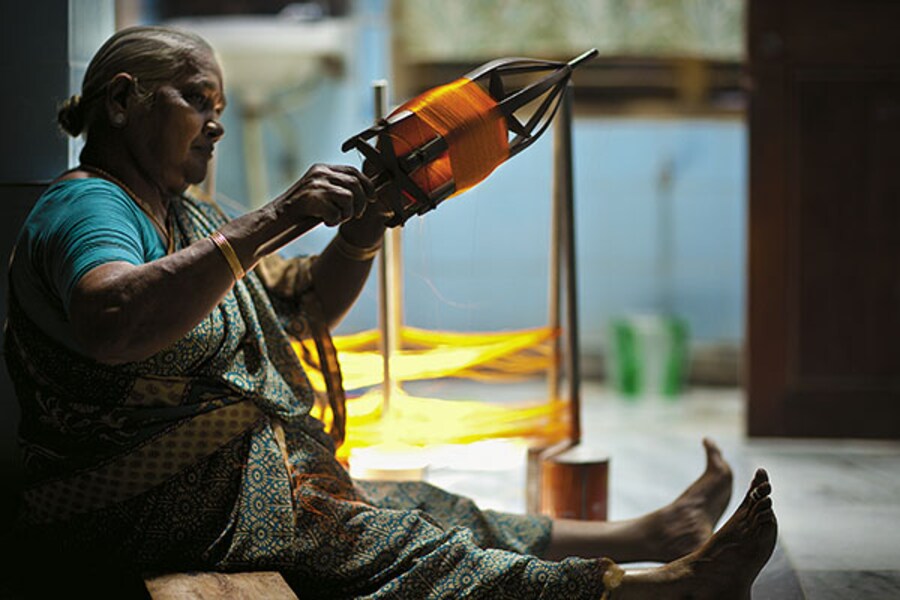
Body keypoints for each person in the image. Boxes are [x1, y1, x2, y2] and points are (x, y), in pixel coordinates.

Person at [2, 25, 776, 599]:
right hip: (125, 502)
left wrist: (365, 224)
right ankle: (651, 588)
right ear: (123, 99)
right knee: (391, 540)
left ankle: (648, 534)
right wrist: (279, 214)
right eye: (196, 101)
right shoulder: (91, 207)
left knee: (425, 505)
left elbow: (301, 310)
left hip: (207, 487)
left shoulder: (185, 218)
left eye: (221, 106)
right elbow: (112, 320)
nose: (216, 123)